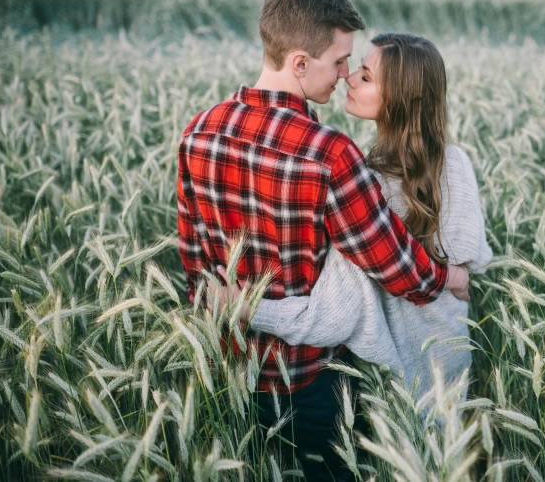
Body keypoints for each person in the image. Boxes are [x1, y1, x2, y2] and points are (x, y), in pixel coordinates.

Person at [177, 0, 470, 482]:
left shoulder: (199, 130)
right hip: (307, 385)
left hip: (222, 373)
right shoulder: (329, 153)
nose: (344, 74)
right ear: (299, 63)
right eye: (339, 61)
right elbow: (399, 268)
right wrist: (450, 279)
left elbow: (193, 259)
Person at [211, 33, 493, 404]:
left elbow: (334, 314)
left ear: (401, 99)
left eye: (366, 75)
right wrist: (451, 276)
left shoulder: (361, 184)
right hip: (451, 353)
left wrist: (249, 309)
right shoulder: (454, 163)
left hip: (401, 379)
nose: (348, 78)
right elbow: (472, 261)